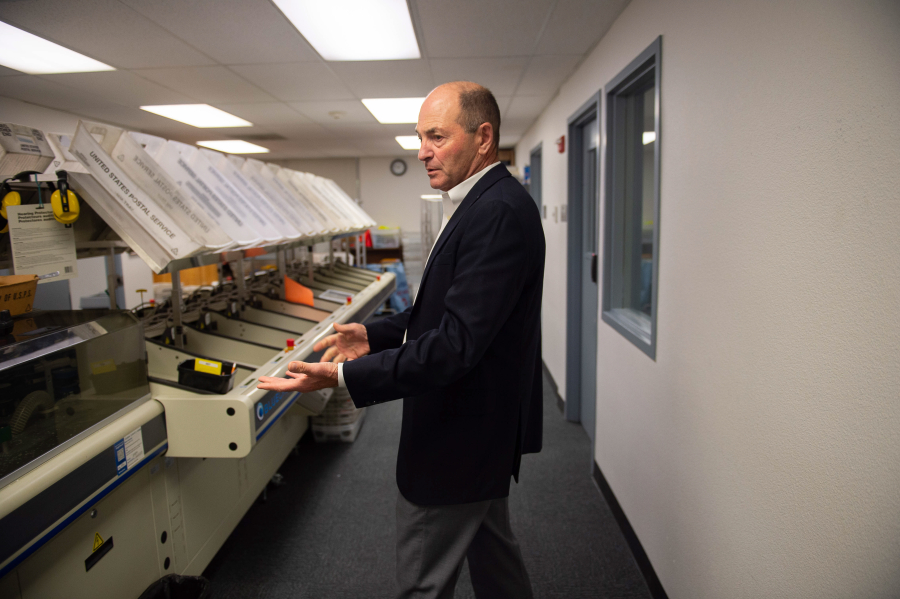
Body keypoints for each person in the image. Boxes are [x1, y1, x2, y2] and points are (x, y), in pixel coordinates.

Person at [258, 81, 545, 599]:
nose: (422, 152)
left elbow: (455, 343)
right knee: (494, 560)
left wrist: (343, 375)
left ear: (483, 137)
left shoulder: (496, 212)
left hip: (458, 439)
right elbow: (445, 310)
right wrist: (374, 333)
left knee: (422, 584)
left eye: (436, 137)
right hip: (478, 435)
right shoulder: (481, 201)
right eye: (420, 138)